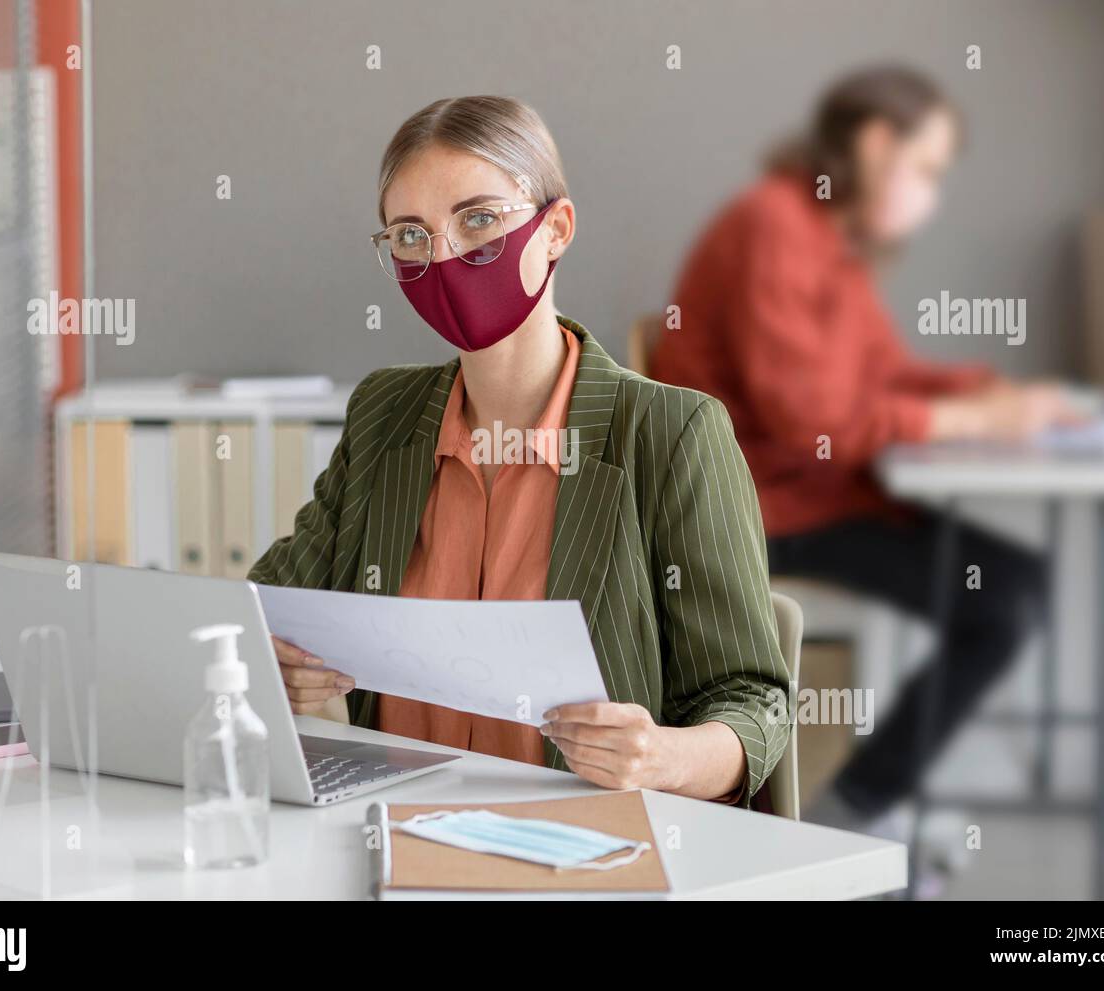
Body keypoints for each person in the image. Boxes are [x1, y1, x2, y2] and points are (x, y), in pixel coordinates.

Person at [248, 96, 790, 805]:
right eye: (411, 235)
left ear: (555, 228)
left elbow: (753, 701)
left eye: (478, 219)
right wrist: (272, 661)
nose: (444, 257)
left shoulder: (670, 431)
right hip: (388, 826)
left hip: (582, 846)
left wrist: (660, 754)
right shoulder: (385, 413)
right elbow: (265, 609)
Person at [650, 66, 1074, 829]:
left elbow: (880, 373)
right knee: (1005, 600)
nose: (929, 195)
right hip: (761, 517)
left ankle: (863, 806)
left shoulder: (826, 238)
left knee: (1019, 584)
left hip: (822, 499)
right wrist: (971, 422)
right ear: (878, 144)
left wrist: (986, 393)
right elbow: (813, 420)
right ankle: (850, 817)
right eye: (927, 169)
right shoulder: (773, 227)